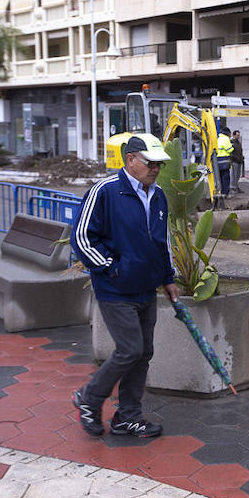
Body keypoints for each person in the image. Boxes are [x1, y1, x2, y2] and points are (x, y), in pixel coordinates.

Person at [70, 133, 179, 438]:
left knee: (144, 352)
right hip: (115, 289)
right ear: (130, 159)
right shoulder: (105, 191)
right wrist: (111, 268)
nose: (156, 168)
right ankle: (89, 399)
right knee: (130, 349)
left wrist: (168, 278)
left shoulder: (157, 195)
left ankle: (127, 417)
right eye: (150, 162)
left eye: (159, 163)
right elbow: (80, 238)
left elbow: (162, 242)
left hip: (146, 289)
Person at [216, 127, 234, 197]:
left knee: (220, 178)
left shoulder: (218, 139)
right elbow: (229, 149)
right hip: (224, 162)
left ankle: (221, 192)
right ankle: (225, 193)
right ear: (228, 133)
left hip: (218, 161)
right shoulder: (226, 139)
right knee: (226, 178)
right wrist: (232, 146)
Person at [230, 130, 244, 194]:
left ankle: (236, 186)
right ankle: (232, 187)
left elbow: (240, 151)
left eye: (239, 135)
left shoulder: (238, 142)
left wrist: (242, 157)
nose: (238, 136)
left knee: (238, 175)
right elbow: (231, 152)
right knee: (233, 175)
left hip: (239, 161)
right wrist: (233, 158)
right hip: (234, 161)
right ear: (234, 135)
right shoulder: (231, 142)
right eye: (237, 135)